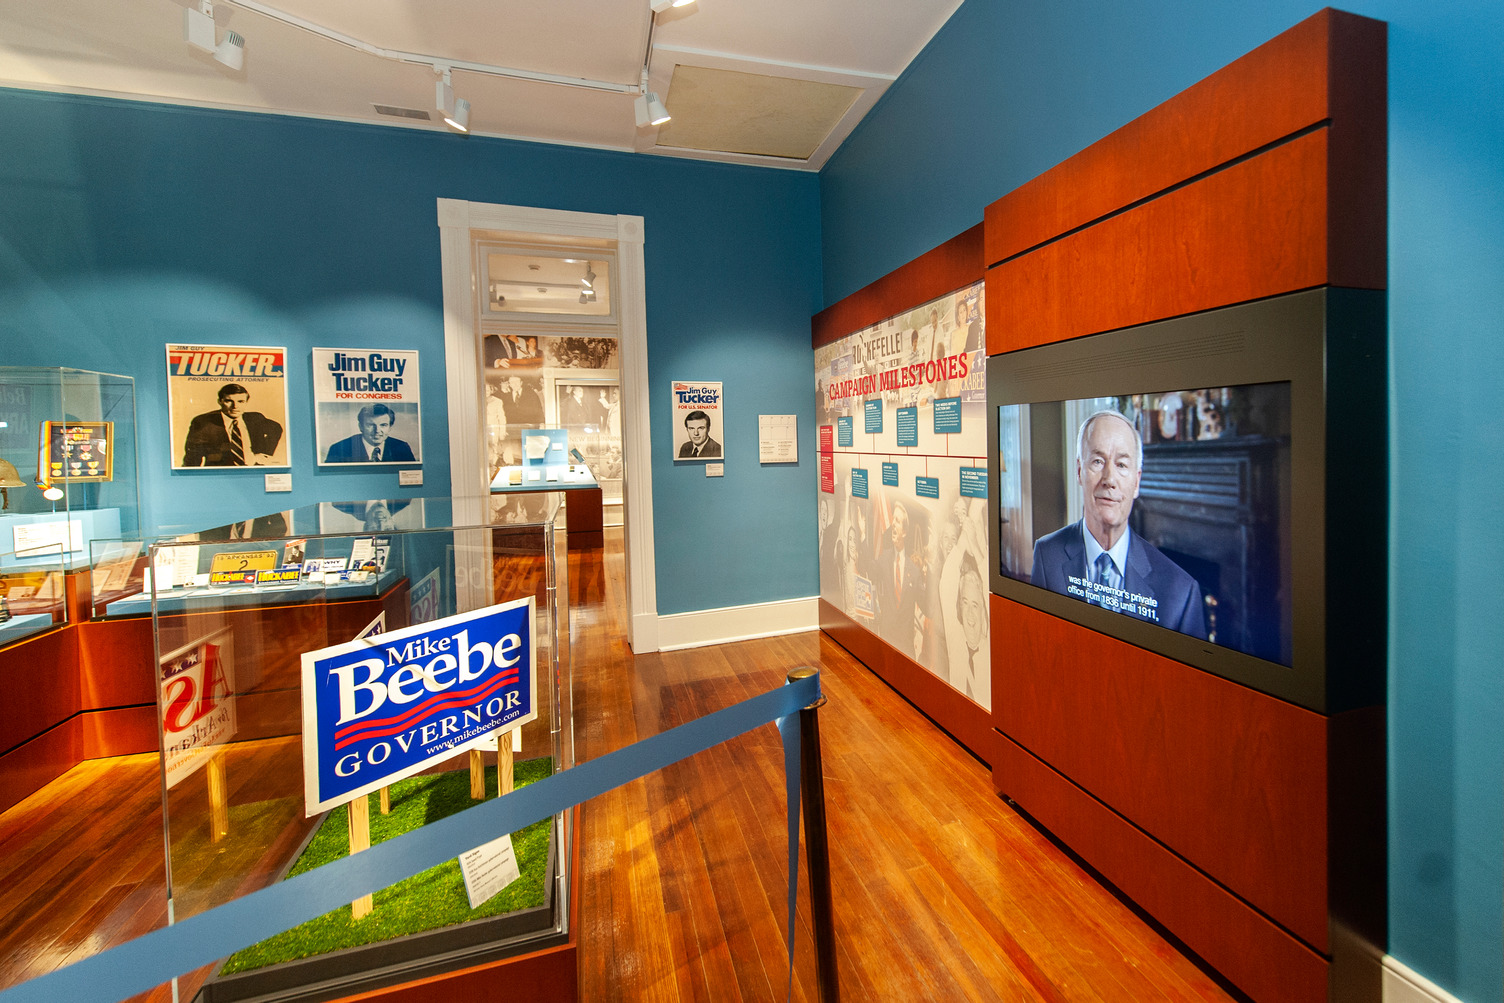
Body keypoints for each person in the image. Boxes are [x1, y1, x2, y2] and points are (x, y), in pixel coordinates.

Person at [1030, 409, 1207, 638]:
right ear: (1079, 471)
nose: (1109, 479)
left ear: (1136, 482)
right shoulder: (1046, 554)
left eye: (1122, 465)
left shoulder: (1181, 592)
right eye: (1097, 461)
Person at [182, 383, 283, 466]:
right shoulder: (204, 422)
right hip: (221, 476)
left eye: (241, 401)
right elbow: (192, 458)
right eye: (229, 401)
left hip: (251, 471)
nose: (235, 406)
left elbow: (277, 428)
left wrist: (264, 453)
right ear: (220, 401)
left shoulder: (255, 418)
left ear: (246, 402)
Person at [324, 404, 416, 463]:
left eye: (383, 425)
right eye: (371, 425)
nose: (377, 430)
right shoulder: (339, 448)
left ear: (390, 428)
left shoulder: (402, 447)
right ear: (361, 427)